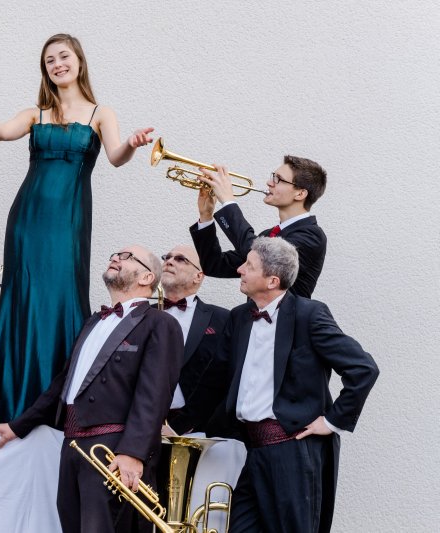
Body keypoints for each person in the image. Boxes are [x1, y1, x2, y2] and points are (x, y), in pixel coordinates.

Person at [0, 33, 155, 423]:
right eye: (50, 60)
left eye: (64, 56)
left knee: (61, 296)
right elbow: (1, 132)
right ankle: (14, 409)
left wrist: (132, 142)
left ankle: (57, 410)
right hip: (27, 220)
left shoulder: (101, 113)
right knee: (24, 299)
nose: (57, 63)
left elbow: (116, 157)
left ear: (79, 61)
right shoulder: (36, 113)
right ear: (45, 70)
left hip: (68, 222)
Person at [0, 245, 182, 533]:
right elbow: (64, 384)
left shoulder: (161, 323)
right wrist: (17, 426)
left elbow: (154, 394)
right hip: (73, 446)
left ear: (147, 277)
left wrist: (133, 453)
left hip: (114, 450)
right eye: (115, 254)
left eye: (126, 257)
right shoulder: (93, 322)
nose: (115, 258)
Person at [214, 237, 379, 532]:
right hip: (254, 452)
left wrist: (331, 421)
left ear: (272, 280)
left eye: (248, 265)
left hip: (292, 453)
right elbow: (216, 378)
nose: (240, 269)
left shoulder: (309, 314)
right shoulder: (240, 317)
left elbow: (363, 368)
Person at [189, 155, 328, 298]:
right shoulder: (269, 234)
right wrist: (206, 216)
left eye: (278, 179)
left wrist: (228, 202)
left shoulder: (312, 236)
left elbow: (264, 258)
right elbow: (214, 265)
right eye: (273, 176)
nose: (269, 183)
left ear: (300, 193)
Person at [157, 245, 230, 435]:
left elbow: (224, 379)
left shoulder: (222, 319)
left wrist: (182, 425)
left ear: (199, 276)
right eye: (167, 257)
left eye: (180, 259)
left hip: (197, 429)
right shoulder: (142, 314)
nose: (169, 261)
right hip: (144, 423)